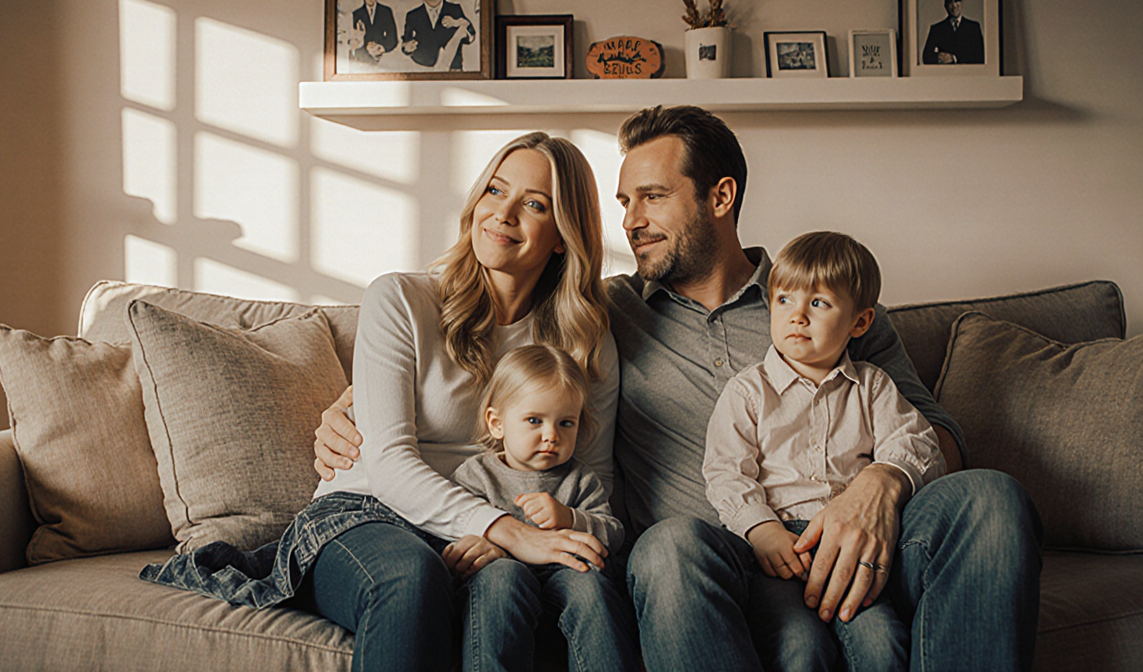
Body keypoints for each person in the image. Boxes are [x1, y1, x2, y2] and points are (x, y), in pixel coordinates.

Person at [316, 105, 1043, 671]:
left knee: (992, 495)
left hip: (852, 536)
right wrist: (354, 403)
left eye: (653, 198)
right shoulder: (603, 314)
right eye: (625, 201)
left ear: (720, 196)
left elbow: (941, 437)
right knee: (665, 549)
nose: (630, 221)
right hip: (713, 553)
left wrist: (881, 485)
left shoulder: (818, 305)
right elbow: (511, 368)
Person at [142, 131, 619, 672]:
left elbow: (595, 478)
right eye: (494, 190)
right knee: (410, 577)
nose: (503, 213)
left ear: (563, 235)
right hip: (366, 514)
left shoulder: (585, 336)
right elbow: (390, 466)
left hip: (489, 528)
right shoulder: (401, 300)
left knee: (576, 587)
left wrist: (513, 536)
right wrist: (504, 530)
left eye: (533, 204)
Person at [703, 231, 943, 672]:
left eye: (818, 304)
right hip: (778, 546)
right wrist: (760, 530)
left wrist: (882, 481)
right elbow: (725, 471)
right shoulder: (748, 391)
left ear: (860, 322)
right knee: (799, 646)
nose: (797, 316)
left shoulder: (872, 386)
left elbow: (917, 442)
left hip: (852, 544)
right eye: (784, 300)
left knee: (882, 641)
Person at [449, 343, 637, 671]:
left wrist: (570, 518)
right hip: (502, 579)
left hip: (565, 577)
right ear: (497, 423)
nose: (551, 435)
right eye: (534, 420)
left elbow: (613, 533)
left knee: (591, 586)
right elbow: (451, 534)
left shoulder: (578, 479)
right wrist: (483, 544)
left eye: (566, 423)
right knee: (499, 579)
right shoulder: (477, 476)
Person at [402, 0, 474, 70]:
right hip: (422, 68)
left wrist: (459, 23)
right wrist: (407, 48)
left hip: (452, 68)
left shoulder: (454, 9)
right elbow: (406, 43)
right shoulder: (412, 15)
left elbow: (470, 38)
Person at [922, 0, 985, 64]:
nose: (954, 5)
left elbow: (980, 56)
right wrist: (939, 57)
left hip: (968, 72)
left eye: (957, 1)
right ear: (945, 6)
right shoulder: (936, 29)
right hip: (945, 72)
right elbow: (926, 57)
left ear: (961, 3)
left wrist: (954, 58)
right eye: (950, 2)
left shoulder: (973, 28)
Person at [348, 0, 398, 65]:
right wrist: (366, 47)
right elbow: (352, 40)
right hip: (362, 59)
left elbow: (393, 38)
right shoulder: (356, 14)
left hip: (384, 58)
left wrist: (381, 47)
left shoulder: (386, 11)